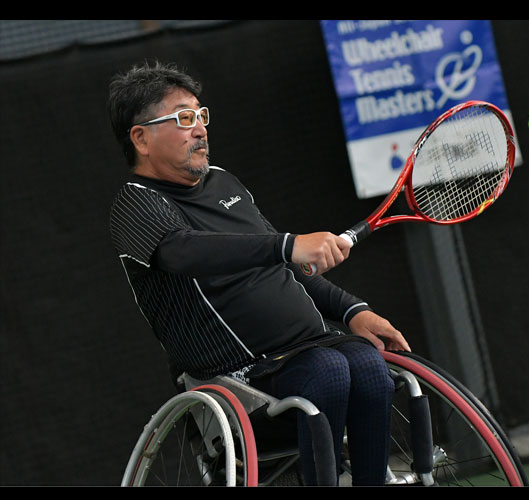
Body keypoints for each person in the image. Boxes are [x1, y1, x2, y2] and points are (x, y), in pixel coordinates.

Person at [107, 60, 411, 486]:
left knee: (367, 365)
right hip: (234, 377)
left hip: (305, 349)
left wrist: (354, 310)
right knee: (329, 370)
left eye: (201, 115)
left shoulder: (224, 182)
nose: (200, 129)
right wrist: (287, 244)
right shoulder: (134, 204)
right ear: (141, 138)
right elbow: (182, 251)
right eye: (183, 118)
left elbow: (284, 265)